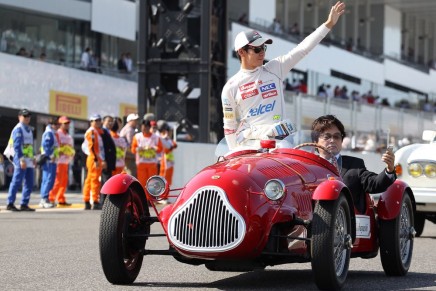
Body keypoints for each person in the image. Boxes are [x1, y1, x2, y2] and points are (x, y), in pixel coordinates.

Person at [221, 1, 345, 150]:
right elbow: (229, 127)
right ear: (241, 52)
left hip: (279, 142)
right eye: (257, 49)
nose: (262, 52)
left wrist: (328, 24)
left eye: (264, 47)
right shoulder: (230, 87)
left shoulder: (275, 68)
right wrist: (233, 155)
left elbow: (302, 49)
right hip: (250, 143)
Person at [311, 115, 396, 213]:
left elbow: (374, 183)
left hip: (350, 223)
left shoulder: (355, 164)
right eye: (327, 137)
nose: (332, 140)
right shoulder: (307, 166)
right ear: (315, 142)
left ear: (341, 141)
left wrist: (389, 170)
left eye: (337, 136)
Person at [5, 109, 36, 211]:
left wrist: (33, 158)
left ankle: (24, 204)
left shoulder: (29, 129)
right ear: (19, 117)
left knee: (29, 182)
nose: (27, 118)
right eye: (24, 116)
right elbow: (17, 146)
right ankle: (10, 203)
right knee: (17, 181)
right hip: (20, 158)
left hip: (28, 159)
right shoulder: (18, 129)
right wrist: (21, 159)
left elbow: (29, 146)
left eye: (28, 116)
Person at [49, 116, 75, 207]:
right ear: (60, 124)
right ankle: (51, 198)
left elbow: (70, 147)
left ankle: (61, 199)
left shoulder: (68, 135)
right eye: (65, 123)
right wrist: (60, 151)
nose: (67, 125)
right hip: (58, 161)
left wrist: (71, 153)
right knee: (57, 181)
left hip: (66, 161)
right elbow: (55, 146)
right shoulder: (57, 134)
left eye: (68, 123)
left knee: (64, 181)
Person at [82, 114, 106, 210]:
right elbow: (92, 146)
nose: (98, 122)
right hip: (94, 158)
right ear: (91, 122)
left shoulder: (96, 131)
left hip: (94, 157)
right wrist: (96, 159)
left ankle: (87, 200)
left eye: (99, 120)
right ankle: (95, 201)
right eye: (95, 120)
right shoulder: (92, 131)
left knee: (89, 180)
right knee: (94, 180)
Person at [131, 120, 163, 187]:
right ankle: (144, 197)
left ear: (149, 127)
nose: (144, 130)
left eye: (145, 128)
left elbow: (160, 149)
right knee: (142, 183)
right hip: (141, 164)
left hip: (152, 164)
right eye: (142, 128)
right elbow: (133, 150)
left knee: (152, 183)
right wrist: (139, 148)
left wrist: (153, 148)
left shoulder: (156, 137)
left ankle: (151, 197)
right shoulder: (137, 137)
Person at [39, 116, 60, 208]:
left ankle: (45, 198)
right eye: (55, 124)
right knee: (48, 180)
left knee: (48, 180)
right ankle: (44, 199)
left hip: (51, 159)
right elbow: (46, 146)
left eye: (58, 124)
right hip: (49, 160)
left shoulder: (52, 133)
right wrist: (51, 156)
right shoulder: (49, 133)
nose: (57, 126)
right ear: (51, 125)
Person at [100, 115, 116, 203]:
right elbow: (102, 148)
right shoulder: (102, 132)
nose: (110, 123)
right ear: (103, 121)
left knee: (106, 180)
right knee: (105, 182)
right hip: (105, 161)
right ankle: (104, 201)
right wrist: (103, 160)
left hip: (109, 162)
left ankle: (104, 201)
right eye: (108, 121)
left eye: (112, 121)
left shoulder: (107, 132)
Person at [120, 113, 139, 177]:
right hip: (128, 154)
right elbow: (131, 143)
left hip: (127, 154)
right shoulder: (129, 129)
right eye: (135, 120)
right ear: (130, 121)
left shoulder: (130, 128)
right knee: (131, 173)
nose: (136, 122)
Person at [158, 122, 177, 187]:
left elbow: (174, 145)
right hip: (165, 163)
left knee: (167, 181)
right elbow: (168, 148)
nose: (170, 132)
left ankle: (165, 195)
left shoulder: (167, 139)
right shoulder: (160, 138)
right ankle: (162, 195)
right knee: (163, 179)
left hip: (168, 163)